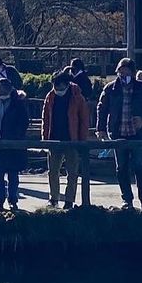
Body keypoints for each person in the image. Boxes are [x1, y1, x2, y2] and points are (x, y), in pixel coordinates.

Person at [97, 57, 142, 211]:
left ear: (133, 72)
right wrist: (101, 128)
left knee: (139, 165)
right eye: (120, 72)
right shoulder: (110, 88)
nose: (123, 76)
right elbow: (102, 108)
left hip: (138, 133)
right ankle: (127, 200)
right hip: (118, 132)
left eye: (126, 72)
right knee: (121, 167)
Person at [41, 70, 90, 209]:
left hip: (72, 139)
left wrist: (81, 140)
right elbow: (45, 119)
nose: (58, 90)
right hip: (54, 139)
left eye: (60, 87)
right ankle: (53, 198)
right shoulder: (50, 96)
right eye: (55, 87)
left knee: (72, 173)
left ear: (67, 85)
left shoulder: (77, 97)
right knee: (52, 172)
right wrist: (45, 138)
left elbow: (84, 120)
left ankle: (69, 200)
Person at [0, 77, 29, 213]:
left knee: (13, 174)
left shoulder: (18, 102)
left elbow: (24, 122)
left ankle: (13, 200)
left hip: (12, 143)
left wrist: (15, 136)